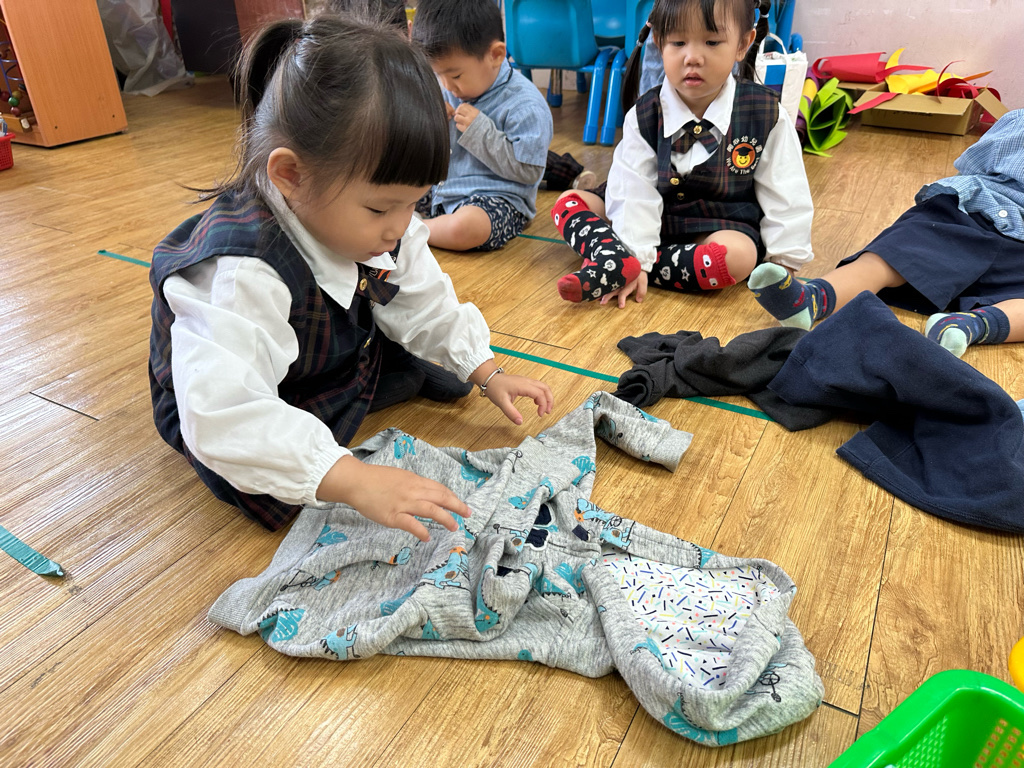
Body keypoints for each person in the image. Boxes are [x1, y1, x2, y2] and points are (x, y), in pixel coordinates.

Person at [147, 16, 553, 540]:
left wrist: (487, 370)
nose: (401, 225)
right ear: (291, 175)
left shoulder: (374, 220)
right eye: (382, 207)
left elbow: (423, 294)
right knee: (277, 488)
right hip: (230, 398)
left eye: (415, 202)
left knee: (444, 370)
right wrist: (356, 481)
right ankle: (352, 396)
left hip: (318, 346)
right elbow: (222, 414)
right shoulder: (243, 271)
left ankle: (367, 373)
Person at [549, 0, 813, 308]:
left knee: (738, 257)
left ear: (743, 44)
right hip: (641, 217)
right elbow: (633, 191)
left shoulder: (765, 114)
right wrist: (637, 251)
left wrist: (784, 260)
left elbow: (787, 193)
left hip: (716, 226)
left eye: (712, 42)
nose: (692, 57)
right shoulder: (645, 114)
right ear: (659, 42)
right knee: (568, 202)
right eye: (678, 43)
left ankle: (614, 263)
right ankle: (623, 260)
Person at [749, 109, 1024, 358]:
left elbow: (972, 164)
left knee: (892, 257)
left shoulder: (1017, 121)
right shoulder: (1019, 121)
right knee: (891, 257)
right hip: (976, 215)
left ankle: (968, 326)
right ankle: (812, 299)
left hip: (983, 219)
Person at [411, 0, 554, 252]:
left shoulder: (525, 105)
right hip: (438, 192)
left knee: (466, 228)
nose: (446, 86)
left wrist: (481, 133)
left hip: (495, 200)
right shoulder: (446, 84)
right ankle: (419, 223)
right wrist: (428, 117)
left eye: (455, 76)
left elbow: (530, 172)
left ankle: (413, 231)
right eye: (438, 75)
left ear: (495, 55)